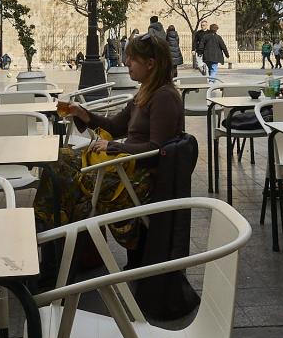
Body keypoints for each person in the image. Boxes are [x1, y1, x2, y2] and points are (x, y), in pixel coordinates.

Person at [36, 33, 183, 244]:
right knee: (59, 163)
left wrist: (112, 147)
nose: (126, 62)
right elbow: (115, 126)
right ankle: (51, 234)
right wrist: (82, 113)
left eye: (132, 58)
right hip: (123, 168)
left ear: (150, 63)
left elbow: (157, 149)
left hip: (135, 179)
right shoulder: (146, 93)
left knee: (59, 166)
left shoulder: (164, 97)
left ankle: (45, 234)